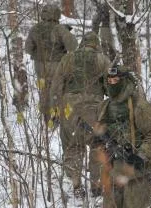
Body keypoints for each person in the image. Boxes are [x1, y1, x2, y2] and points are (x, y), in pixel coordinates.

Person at [50, 31, 111, 198]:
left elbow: (56, 86)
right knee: (97, 145)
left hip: (69, 107)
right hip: (94, 108)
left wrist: (55, 110)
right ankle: (96, 186)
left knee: (73, 145)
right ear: (96, 44)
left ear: (82, 43)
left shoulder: (68, 58)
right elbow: (110, 86)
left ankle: (76, 184)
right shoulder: (102, 60)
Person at [96, 66, 151, 207]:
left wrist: (141, 155)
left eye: (116, 80)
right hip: (112, 176)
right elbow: (98, 135)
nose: (113, 83)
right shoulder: (104, 107)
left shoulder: (139, 105)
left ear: (125, 81)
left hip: (137, 176)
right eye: (110, 80)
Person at [25, 3, 77, 122]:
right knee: (57, 90)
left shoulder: (35, 28)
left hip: (39, 66)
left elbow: (28, 48)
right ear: (57, 15)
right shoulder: (59, 28)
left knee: (44, 90)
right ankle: (56, 117)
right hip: (57, 65)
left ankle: (45, 116)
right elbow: (73, 46)